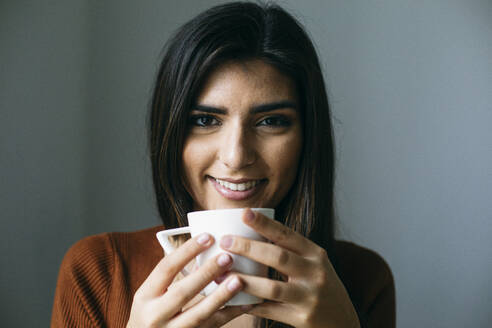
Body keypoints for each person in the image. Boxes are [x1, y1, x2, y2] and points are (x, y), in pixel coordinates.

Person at [51, 2, 395, 328]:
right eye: (204, 120)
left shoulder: (361, 278)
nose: (235, 155)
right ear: (170, 134)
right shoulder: (98, 270)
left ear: (308, 137)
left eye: (271, 121)